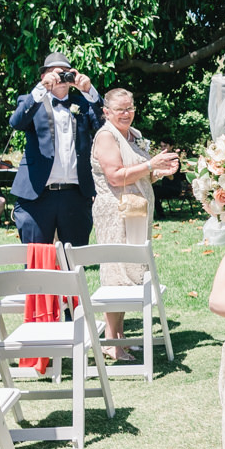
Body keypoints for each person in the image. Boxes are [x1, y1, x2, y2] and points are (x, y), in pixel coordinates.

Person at [91, 87, 179, 361]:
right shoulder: (106, 136)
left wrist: (158, 173)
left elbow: (138, 175)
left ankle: (120, 339)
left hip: (137, 213)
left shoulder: (134, 135)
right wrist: (151, 165)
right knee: (115, 274)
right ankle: (110, 342)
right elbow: (116, 177)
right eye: (120, 110)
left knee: (130, 274)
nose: (127, 114)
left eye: (130, 108)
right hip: (115, 214)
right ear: (107, 112)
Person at [8, 51, 103, 246]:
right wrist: (41, 89)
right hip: (38, 193)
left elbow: (104, 125)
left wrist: (88, 90)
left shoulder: (83, 103)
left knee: (75, 261)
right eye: (55, 73)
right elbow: (16, 121)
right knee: (37, 262)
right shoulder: (31, 100)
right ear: (44, 76)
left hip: (76, 194)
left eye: (66, 73)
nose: (61, 77)